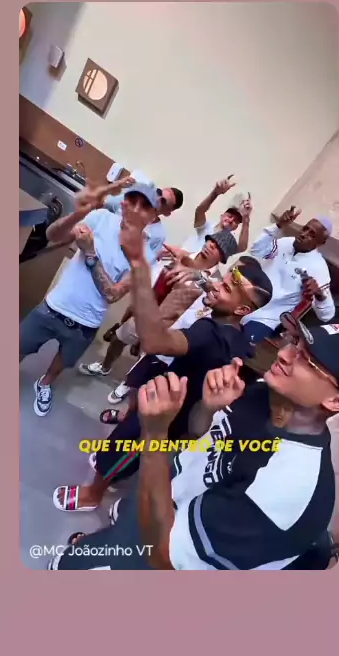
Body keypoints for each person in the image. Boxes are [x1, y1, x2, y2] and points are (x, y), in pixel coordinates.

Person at [47, 313, 339, 570]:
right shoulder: (262, 392)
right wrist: (210, 407)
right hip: (159, 500)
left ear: (336, 400)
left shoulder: (289, 489)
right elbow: (198, 436)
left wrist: (155, 433)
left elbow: (164, 558)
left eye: (308, 361)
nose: (285, 354)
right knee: (93, 547)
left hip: (158, 552)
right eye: (295, 343)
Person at [52, 206, 273, 512]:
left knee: (126, 448)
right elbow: (206, 281)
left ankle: (93, 495)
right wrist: (199, 276)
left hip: (167, 413)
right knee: (126, 440)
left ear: (242, 310)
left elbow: (155, 341)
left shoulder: (209, 333)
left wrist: (140, 274)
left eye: (226, 288)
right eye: (222, 281)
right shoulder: (235, 332)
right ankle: (112, 468)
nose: (216, 286)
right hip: (174, 398)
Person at [19, 181, 161, 416]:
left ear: (154, 215)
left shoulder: (146, 256)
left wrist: (91, 253)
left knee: (63, 361)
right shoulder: (101, 218)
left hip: (86, 324)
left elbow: (113, 293)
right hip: (54, 306)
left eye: (145, 206)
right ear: (123, 203)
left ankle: (44, 383)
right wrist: (78, 214)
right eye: (132, 200)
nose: (136, 209)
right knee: (19, 345)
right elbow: (53, 235)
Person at [78, 229, 239, 384]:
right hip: (148, 310)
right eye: (211, 241)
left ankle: (126, 387)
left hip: (168, 327)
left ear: (222, 257)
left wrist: (199, 278)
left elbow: (209, 293)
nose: (211, 245)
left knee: (143, 364)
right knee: (118, 339)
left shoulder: (215, 282)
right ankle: (104, 367)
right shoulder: (182, 256)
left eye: (217, 247)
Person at [242, 206, 336, 349]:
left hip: (265, 318)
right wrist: (278, 225)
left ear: (320, 242)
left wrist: (319, 294)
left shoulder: (319, 268)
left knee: (239, 344)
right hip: (246, 298)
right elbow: (256, 250)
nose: (304, 234)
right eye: (305, 228)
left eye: (312, 234)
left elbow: (327, 315)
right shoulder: (286, 242)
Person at [181, 175, 252, 255]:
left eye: (236, 221)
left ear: (235, 227)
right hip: (182, 258)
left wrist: (246, 218)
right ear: (222, 216)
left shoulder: (228, 241)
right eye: (229, 216)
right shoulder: (207, 226)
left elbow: (242, 247)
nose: (231, 220)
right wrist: (215, 193)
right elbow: (200, 211)